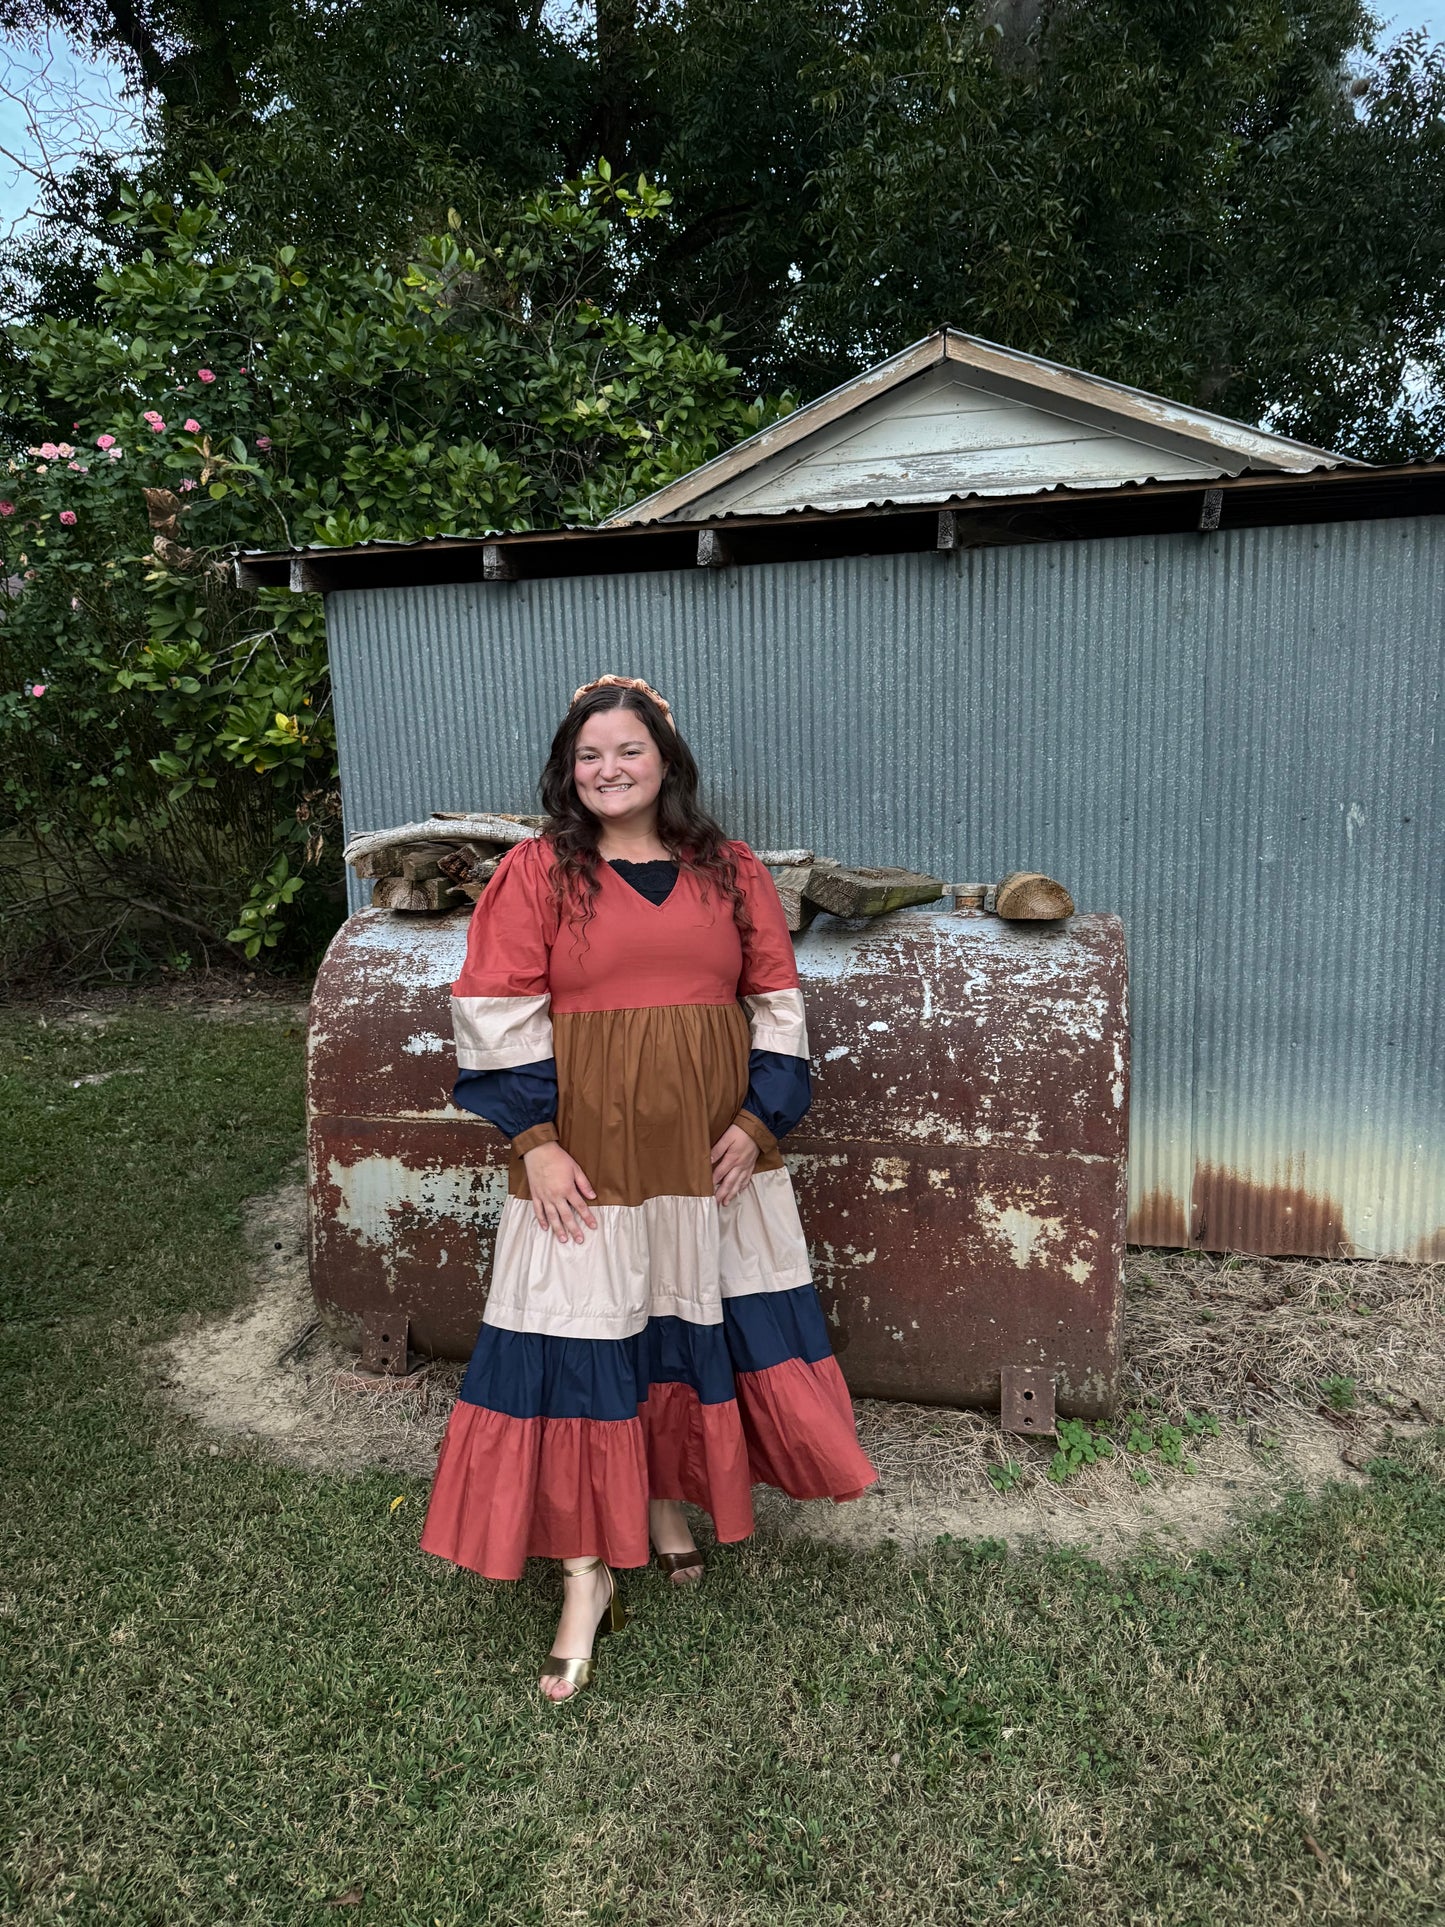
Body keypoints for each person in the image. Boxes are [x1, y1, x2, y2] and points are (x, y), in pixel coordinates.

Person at [419, 673, 877, 1699]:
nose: (606, 770)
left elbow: (776, 1004)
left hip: (710, 1160)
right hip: (589, 1158)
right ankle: (584, 1579)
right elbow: (492, 1010)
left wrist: (758, 1120)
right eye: (586, 756)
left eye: (625, 750)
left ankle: (664, 1503)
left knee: (677, 1325)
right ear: (564, 773)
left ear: (663, 760)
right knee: (579, 1342)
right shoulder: (538, 874)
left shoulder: (729, 870)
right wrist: (533, 1142)